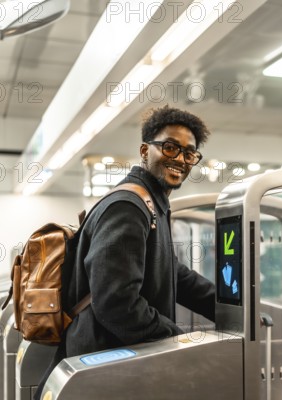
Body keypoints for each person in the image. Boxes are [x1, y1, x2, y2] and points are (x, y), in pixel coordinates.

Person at [34, 105, 216, 399]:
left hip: (118, 358)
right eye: (170, 147)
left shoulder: (152, 205)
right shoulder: (129, 206)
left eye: (189, 153)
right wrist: (177, 340)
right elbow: (116, 302)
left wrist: (228, 307)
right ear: (145, 151)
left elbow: (173, 273)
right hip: (104, 364)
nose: (180, 159)